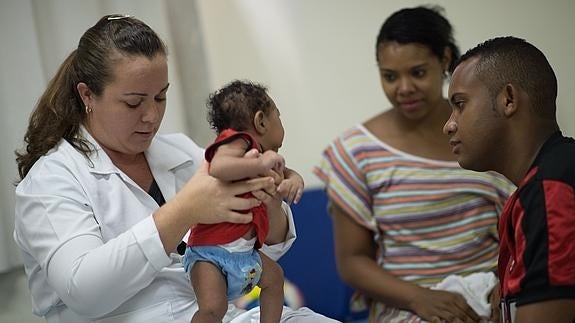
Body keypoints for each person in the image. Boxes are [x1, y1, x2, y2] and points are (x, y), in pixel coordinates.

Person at [13, 14, 337, 323]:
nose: (152, 116)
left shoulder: (180, 152)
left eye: (161, 97)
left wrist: (269, 199)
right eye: (133, 102)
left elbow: (267, 249)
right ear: (87, 95)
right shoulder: (51, 180)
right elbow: (83, 290)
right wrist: (183, 211)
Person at [314, 6, 516, 323]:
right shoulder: (355, 151)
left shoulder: (488, 135)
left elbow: (525, 231)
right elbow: (352, 261)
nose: (404, 88)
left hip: (497, 295)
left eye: (418, 72)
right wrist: (420, 298)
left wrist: (507, 286)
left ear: (445, 60)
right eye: (390, 76)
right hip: (408, 308)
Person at [444, 36, 575, 323]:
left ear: (508, 100)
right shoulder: (532, 189)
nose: (449, 124)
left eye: (460, 104)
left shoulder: (550, 188)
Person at [184, 80, 304, 323]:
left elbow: (287, 174)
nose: (281, 123)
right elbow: (218, 167)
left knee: (275, 278)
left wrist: (294, 180)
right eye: (277, 116)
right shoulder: (235, 143)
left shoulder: (265, 160)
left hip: (245, 253)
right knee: (212, 309)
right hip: (210, 253)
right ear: (261, 121)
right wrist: (259, 164)